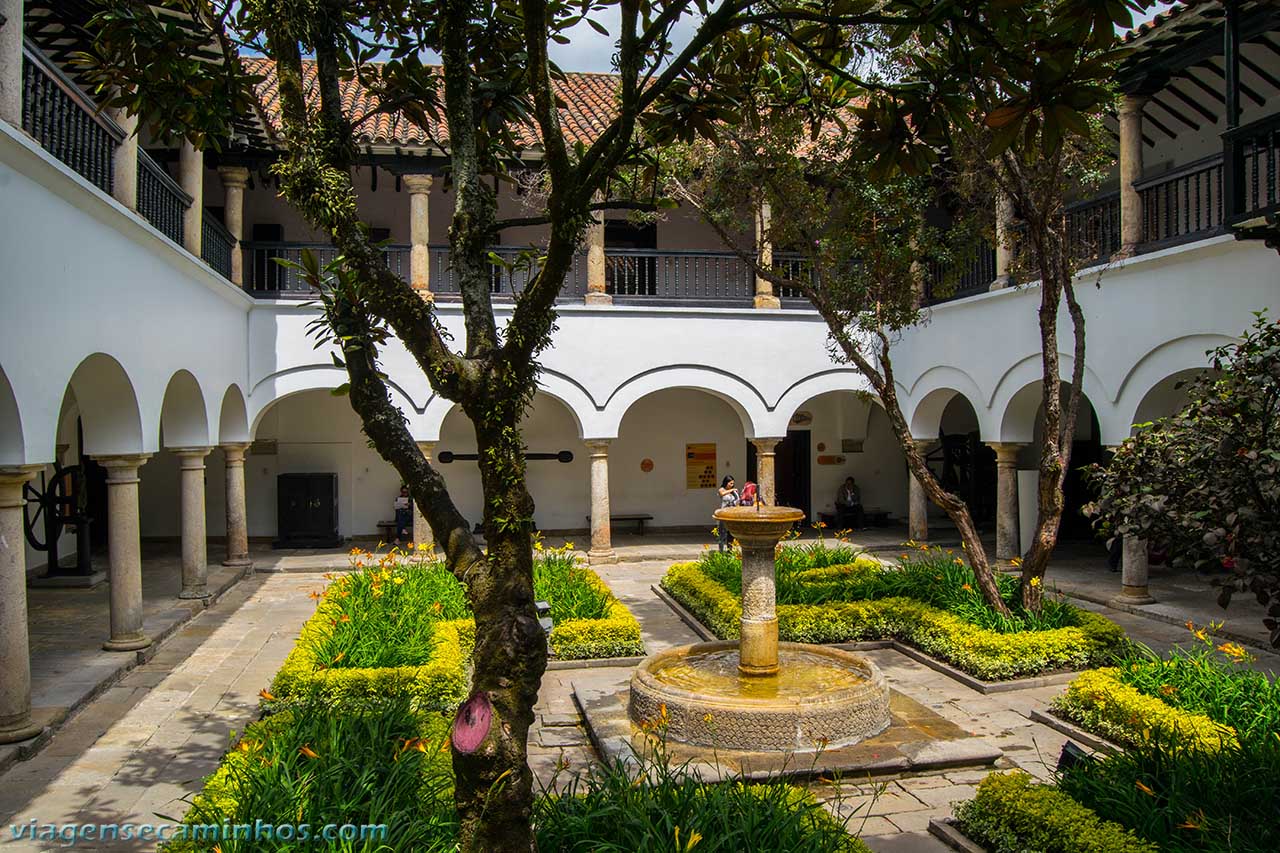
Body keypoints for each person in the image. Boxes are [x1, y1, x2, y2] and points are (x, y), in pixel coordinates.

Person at [717, 475, 739, 551]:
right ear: (726, 483)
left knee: (730, 534)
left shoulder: (734, 492)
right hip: (723, 514)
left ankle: (730, 550)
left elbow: (737, 501)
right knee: (722, 533)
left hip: (731, 514)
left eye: (733, 483)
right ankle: (721, 550)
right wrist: (731, 490)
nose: (732, 485)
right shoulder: (721, 489)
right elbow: (722, 494)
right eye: (730, 483)